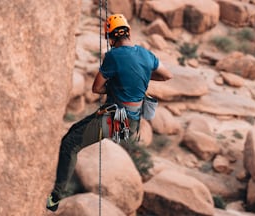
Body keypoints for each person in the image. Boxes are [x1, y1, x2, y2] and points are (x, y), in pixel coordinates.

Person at [46, 13, 173, 212]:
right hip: (133, 122)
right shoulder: (146, 54)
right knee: (75, 131)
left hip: (116, 120)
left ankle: (55, 197)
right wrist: (142, 76)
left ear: (112, 37)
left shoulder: (113, 56)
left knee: (70, 143)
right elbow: (167, 75)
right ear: (128, 33)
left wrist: (114, 83)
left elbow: (96, 88)